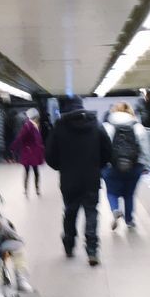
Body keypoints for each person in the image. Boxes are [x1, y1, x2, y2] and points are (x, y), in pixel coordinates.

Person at [45, 96, 113, 266]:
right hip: (91, 178)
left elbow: (50, 156)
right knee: (91, 213)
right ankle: (92, 251)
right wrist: (97, 165)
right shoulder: (96, 124)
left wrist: (62, 166)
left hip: (69, 179)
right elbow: (108, 151)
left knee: (70, 211)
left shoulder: (60, 127)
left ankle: (69, 245)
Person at [101, 102, 150, 230]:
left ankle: (115, 210)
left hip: (111, 166)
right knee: (129, 194)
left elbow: (101, 148)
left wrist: (101, 164)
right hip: (134, 166)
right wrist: (147, 166)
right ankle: (129, 220)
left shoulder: (106, 126)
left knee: (112, 192)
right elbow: (145, 148)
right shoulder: (138, 127)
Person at [12, 108, 46, 194]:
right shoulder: (28, 126)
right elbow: (20, 137)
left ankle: (35, 189)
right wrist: (13, 147)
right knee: (29, 171)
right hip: (29, 152)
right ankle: (27, 189)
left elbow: (38, 140)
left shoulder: (34, 126)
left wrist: (41, 148)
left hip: (33, 152)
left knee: (33, 171)